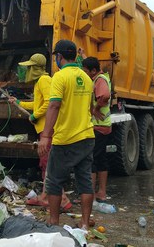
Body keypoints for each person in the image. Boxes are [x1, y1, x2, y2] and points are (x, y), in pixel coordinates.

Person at [38, 39, 95, 229]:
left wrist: (45, 136)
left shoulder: (60, 77)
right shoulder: (87, 78)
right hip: (87, 137)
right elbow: (91, 107)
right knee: (85, 180)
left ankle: (54, 221)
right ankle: (85, 224)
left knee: (54, 180)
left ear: (59, 57)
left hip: (66, 138)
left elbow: (54, 105)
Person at [9, 53, 72, 211]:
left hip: (47, 130)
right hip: (45, 130)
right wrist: (18, 102)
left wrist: (35, 116)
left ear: (35, 68)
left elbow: (50, 103)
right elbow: (38, 104)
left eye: (30, 67)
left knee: (48, 165)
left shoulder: (44, 80)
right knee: (47, 164)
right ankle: (45, 197)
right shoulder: (40, 82)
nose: (28, 70)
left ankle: (62, 200)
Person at [81, 56, 112, 202]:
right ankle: (101, 192)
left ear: (93, 70)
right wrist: (83, 54)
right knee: (101, 159)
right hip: (103, 126)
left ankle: (92, 193)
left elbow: (105, 95)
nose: (83, 73)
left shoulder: (99, 80)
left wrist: (95, 108)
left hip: (99, 126)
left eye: (85, 70)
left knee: (92, 159)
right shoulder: (101, 76)